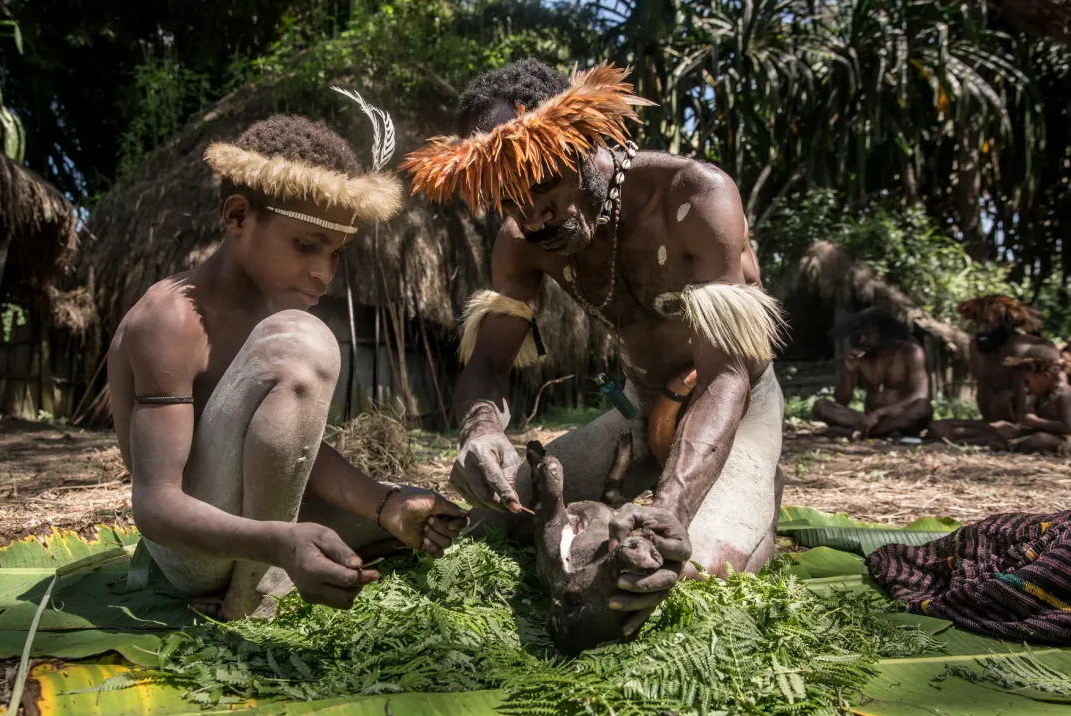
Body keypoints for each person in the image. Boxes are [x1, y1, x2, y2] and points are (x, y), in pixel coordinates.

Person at [401, 59, 787, 641]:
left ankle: (753, 489)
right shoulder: (521, 244)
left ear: (587, 140)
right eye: (509, 201)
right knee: (492, 515)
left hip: (734, 406)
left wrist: (672, 512)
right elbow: (486, 365)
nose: (533, 216)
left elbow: (725, 375)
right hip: (637, 409)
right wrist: (479, 431)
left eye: (543, 186)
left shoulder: (694, 196)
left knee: (682, 576)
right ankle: (630, 487)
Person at [107, 109, 468, 621]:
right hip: (193, 552)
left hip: (262, 523)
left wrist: (386, 503)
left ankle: (287, 561)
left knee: (456, 524)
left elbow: (286, 453)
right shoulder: (170, 320)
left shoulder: (270, 309)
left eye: (336, 253)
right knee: (304, 339)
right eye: (305, 246)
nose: (324, 272)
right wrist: (279, 545)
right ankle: (256, 597)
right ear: (237, 218)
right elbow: (156, 506)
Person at [928, 295, 1057, 447]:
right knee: (938, 428)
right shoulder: (977, 349)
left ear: (1006, 323)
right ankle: (995, 440)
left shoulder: (1035, 350)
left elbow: (1057, 402)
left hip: (1027, 428)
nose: (981, 329)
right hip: (991, 426)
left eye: (987, 323)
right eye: (978, 323)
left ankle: (1008, 441)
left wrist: (1024, 426)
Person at [811, 308, 932, 439]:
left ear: (885, 333)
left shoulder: (911, 352)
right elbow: (841, 401)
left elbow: (921, 394)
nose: (862, 340)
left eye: (868, 335)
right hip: (866, 419)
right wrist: (849, 372)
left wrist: (880, 413)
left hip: (900, 416)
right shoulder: (860, 357)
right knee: (821, 406)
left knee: (923, 408)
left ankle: (862, 433)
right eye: (860, 335)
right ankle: (879, 432)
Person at [981, 355, 1071, 455]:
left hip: (1064, 440)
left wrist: (1037, 422)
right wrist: (1014, 427)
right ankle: (1009, 445)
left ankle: (1011, 447)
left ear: (1044, 377)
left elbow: (1068, 427)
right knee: (1004, 432)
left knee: (1040, 439)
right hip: (1043, 434)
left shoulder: (1065, 394)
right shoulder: (1042, 396)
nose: (1026, 388)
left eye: (1028, 382)